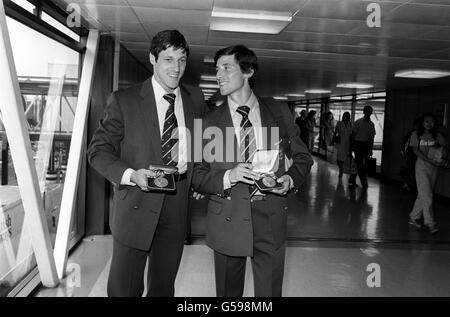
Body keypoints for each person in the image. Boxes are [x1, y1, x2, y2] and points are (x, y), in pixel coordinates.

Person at [87, 30, 206, 297]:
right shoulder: (124, 101)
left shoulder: (195, 99)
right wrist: (131, 175)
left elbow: (200, 143)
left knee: (163, 287)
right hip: (136, 202)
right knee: (124, 288)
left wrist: (201, 174)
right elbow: (98, 151)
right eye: (168, 59)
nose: (176, 68)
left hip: (177, 203)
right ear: (152, 59)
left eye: (182, 60)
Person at [192, 45, 313, 297]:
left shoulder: (278, 112)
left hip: (270, 219)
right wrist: (228, 175)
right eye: (217, 69)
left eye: (226, 68)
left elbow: (303, 157)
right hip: (227, 219)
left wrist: (290, 179)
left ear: (248, 71)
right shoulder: (207, 122)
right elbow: (196, 174)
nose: (219, 75)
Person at [408, 113, 447, 234]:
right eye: (426, 121)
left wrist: (441, 155)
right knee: (428, 194)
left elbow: (445, 146)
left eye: (431, 122)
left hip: (433, 168)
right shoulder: (416, 134)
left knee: (423, 194)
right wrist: (428, 159)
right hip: (421, 166)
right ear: (422, 122)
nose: (429, 124)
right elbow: (415, 150)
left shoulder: (437, 135)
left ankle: (413, 217)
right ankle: (430, 223)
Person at [348, 106, 376, 190]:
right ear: (364, 112)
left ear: (371, 113)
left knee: (358, 163)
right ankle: (364, 183)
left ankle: (352, 179)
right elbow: (352, 136)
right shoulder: (358, 122)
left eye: (369, 111)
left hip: (365, 145)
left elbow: (371, 138)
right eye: (367, 111)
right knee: (360, 164)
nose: (368, 113)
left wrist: (370, 149)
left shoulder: (371, 124)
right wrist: (351, 147)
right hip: (358, 145)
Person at [334, 112, 354, 178]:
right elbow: (335, 132)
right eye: (345, 116)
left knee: (345, 157)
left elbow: (352, 135)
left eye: (348, 116)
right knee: (339, 158)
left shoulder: (351, 124)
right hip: (340, 143)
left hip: (347, 143)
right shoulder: (339, 123)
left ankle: (343, 170)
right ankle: (341, 170)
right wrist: (333, 140)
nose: (347, 117)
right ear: (343, 116)